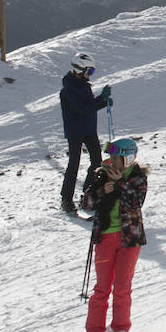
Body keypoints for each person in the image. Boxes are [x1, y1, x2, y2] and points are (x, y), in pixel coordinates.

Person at [83, 137, 147, 332]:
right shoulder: (101, 174)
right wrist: (103, 191)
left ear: (127, 159)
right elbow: (86, 204)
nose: (111, 161)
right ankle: (95, 329)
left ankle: (121, 328)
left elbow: (136, 201)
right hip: (105, 239)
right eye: (110, 157)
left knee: (122, 287)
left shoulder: (138, 176)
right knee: (102, 287)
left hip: (129, 239)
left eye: (116, 158)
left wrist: (119, 185)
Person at [59, 52, 110, 214]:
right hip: (75, 130)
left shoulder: (83, 85)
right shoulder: (68, 88)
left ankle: (89, 192)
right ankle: (66, 198)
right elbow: (82, 109)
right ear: (79, 69)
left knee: (97, 160)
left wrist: (103, 102)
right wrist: (101, 99)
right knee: (74, 163)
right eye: (90, 71)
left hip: (88, 128)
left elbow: (89, 106)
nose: (90, 75)